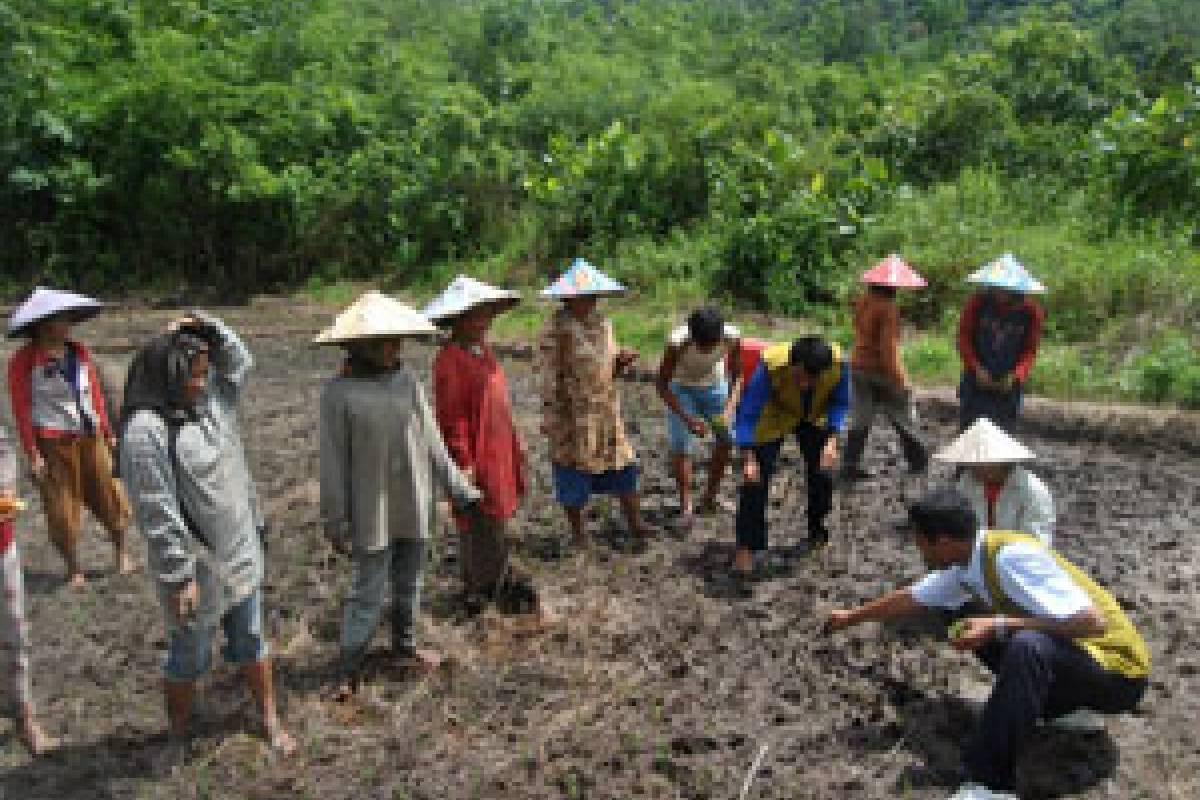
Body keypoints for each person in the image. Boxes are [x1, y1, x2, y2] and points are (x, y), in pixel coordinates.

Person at [826, 486, 1149, 800]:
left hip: (1119, 676)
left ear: (942, 541)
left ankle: (991, 784)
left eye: (920, 542)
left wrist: (998, 624)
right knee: (962, 615)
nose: (919, 551)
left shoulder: (1011, 557)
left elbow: (1092, 622)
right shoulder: (968, 563)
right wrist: (850, 618)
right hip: (1080, 663)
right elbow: (912, 598)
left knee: (1026, 644)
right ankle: (1063, 709)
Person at [119, 313, 295, 755]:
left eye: (204, 372)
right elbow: (156, 513)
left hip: (240, 552)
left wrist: (209, 326)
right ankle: (179, 733)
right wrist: (179, 577)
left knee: (251, 639)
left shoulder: (214, 403)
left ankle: (269, 719)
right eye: (192, 374)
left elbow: (239, 361)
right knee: (189, 655)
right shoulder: (147, 432)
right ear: (167, 371)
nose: (201, 382)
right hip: (197, 569)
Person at [317, 292, 481, 696]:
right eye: (384, 342)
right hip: (370, 508)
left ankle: (404, 647)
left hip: (412, 498)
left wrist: (460, 489)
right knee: (368, 589)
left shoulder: (407, 382)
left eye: (396, 341)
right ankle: (349, 664)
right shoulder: (338, 395)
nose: (394, 349)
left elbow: (432, 441)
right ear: (360, 347)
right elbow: (333, 462)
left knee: (410, 581)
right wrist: (335, 520)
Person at [424, 276, 548, 619]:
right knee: (480, 520)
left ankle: (496, 581)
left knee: (498, 518)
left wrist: (514, 443)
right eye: (477, 315)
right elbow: (452, 419)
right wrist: (463, 462)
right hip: (476, 456)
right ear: (458, 319)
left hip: (497, 449)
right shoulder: (450, 360)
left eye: (487, 314)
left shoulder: (482, 352)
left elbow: (497, 403)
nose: (485, 321)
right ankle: (480, 593)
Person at [6, 287, 133, 587]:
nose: (68, 325)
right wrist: (33, 453)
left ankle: (121, 553)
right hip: (54, 442)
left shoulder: (80, 352)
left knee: (110, 494)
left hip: (90, 436)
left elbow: (95, 396)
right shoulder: (23, 362)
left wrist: (108, 432)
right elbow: (21, 409)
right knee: (61, 506)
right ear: (44, 324)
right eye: (62, 319)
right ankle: (73, 566)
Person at [535, 259, 659, 545]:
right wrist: (551, 416)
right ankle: (579, 535)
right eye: (584, 296)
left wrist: (621, 361)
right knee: (572, 470)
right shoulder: (553, 330)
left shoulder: (604, 325)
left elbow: (610, 367)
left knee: (623, 465)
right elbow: (546, 376)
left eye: (594, 296)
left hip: (605, 410)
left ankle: (636, 524)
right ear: (567, 297)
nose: (590, 301)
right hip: (572, 415)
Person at [732, 335, 851, 575]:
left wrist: (832, 439)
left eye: (812, 378)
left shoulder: (838, 366)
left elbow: (840, 403)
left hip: (814, 414)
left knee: (822, 472)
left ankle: (817, 531)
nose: (805, 383)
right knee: (754, 479)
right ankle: (747, 547)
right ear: (791, 365)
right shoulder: (770, 366)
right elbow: (747, 414)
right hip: (775, 411)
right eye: (799, 376)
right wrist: (748, 457)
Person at [840, 255, 928, 483]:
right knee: (902, 412)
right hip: (879, 369)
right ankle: (918, 460)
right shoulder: (888, 308)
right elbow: (887, 348)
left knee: (861, 415)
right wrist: (900, 379)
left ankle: (849, 464)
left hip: (858, 365)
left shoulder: (862, 302)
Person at [655, 307, 743, 529]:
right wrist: (687, 418)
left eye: (711, 345)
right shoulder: (677, 343)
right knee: (682, 445)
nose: (706, 350)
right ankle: (686, 505)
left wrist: (729, 409)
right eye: (701, 345)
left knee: (726, 440)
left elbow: (739, 374)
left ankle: (710, 498)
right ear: (692, 337)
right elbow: (662, 384)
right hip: (682, 389)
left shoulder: (731, 337)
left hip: (715, 389)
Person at [0, 423, 57, 755]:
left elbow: (4, 450)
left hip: (1, 547)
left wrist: (6, 489)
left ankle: (25, 716)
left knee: (14, 636)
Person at [958, 254, 1045, 433]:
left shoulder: (1031, 312)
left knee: (1004, 434)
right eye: (997, 287)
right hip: (976, 378)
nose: (1001, 292)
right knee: (970, 431)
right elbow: (963, 338)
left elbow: (1030, 349)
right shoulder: (976, 304)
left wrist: (1017, 374)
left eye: (1005, 288)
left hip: (1009, 381)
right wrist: (976, 368)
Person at [935, 417, 1055, 545]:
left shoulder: (1033, 492)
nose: (972, 467)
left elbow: (1036, 542)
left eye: (979, 463)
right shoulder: (967, 482)